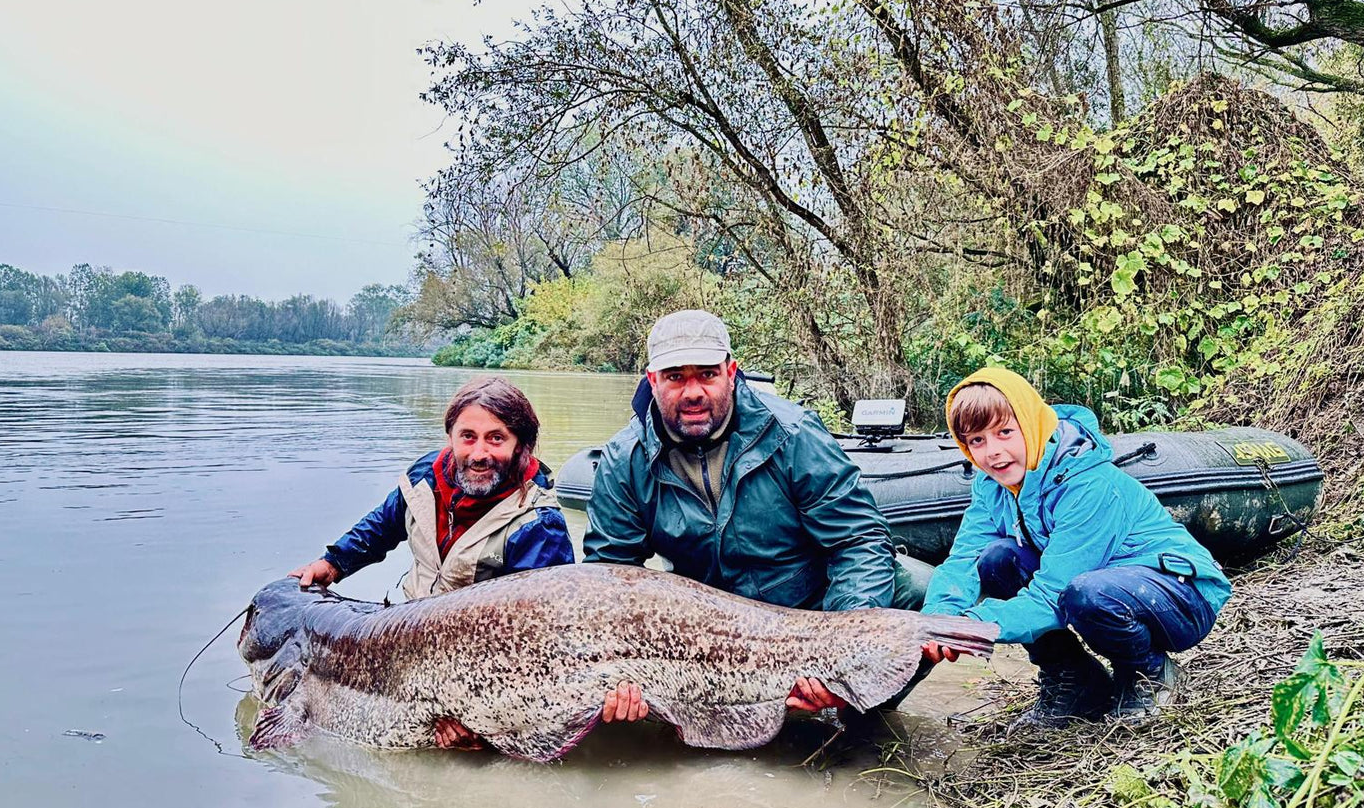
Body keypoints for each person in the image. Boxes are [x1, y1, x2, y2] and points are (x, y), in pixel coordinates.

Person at [584, 309, 921, 723]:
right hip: (701, 634)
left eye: (707, 374)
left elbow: (857, 540)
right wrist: (620, 678)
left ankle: (859, 718)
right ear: (652, 381)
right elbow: (608, 581)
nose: (693, 391)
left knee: (915, 588)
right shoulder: (623, 459)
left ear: (731, 372)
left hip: (806, 613)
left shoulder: (793, 433)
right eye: (675, 377)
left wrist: (842, 644)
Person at [917, 367, 1231, 729]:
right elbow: (965, 561)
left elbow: (1053, 594)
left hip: (1179, 595)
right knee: (996, 561)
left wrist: (972, 626)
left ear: (1031, 425)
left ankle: (1149, 674)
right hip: (1102, 584)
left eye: (1005, 432)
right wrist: (937, 621)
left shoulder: (1088, 483)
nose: (993, 453)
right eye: (977, 441)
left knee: (1086, 593)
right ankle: (1075, 680)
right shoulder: (991, 487)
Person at [288, 375, 574, 748]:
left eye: (497, 438)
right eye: (467, 436)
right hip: (409, 631)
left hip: (479, 662)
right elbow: (381, 527)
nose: (479, 454)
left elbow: (538, 646)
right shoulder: (426, 476)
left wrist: (482, 720)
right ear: (451, 437)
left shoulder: (540, 524)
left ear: (521, 445)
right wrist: (332, 563)